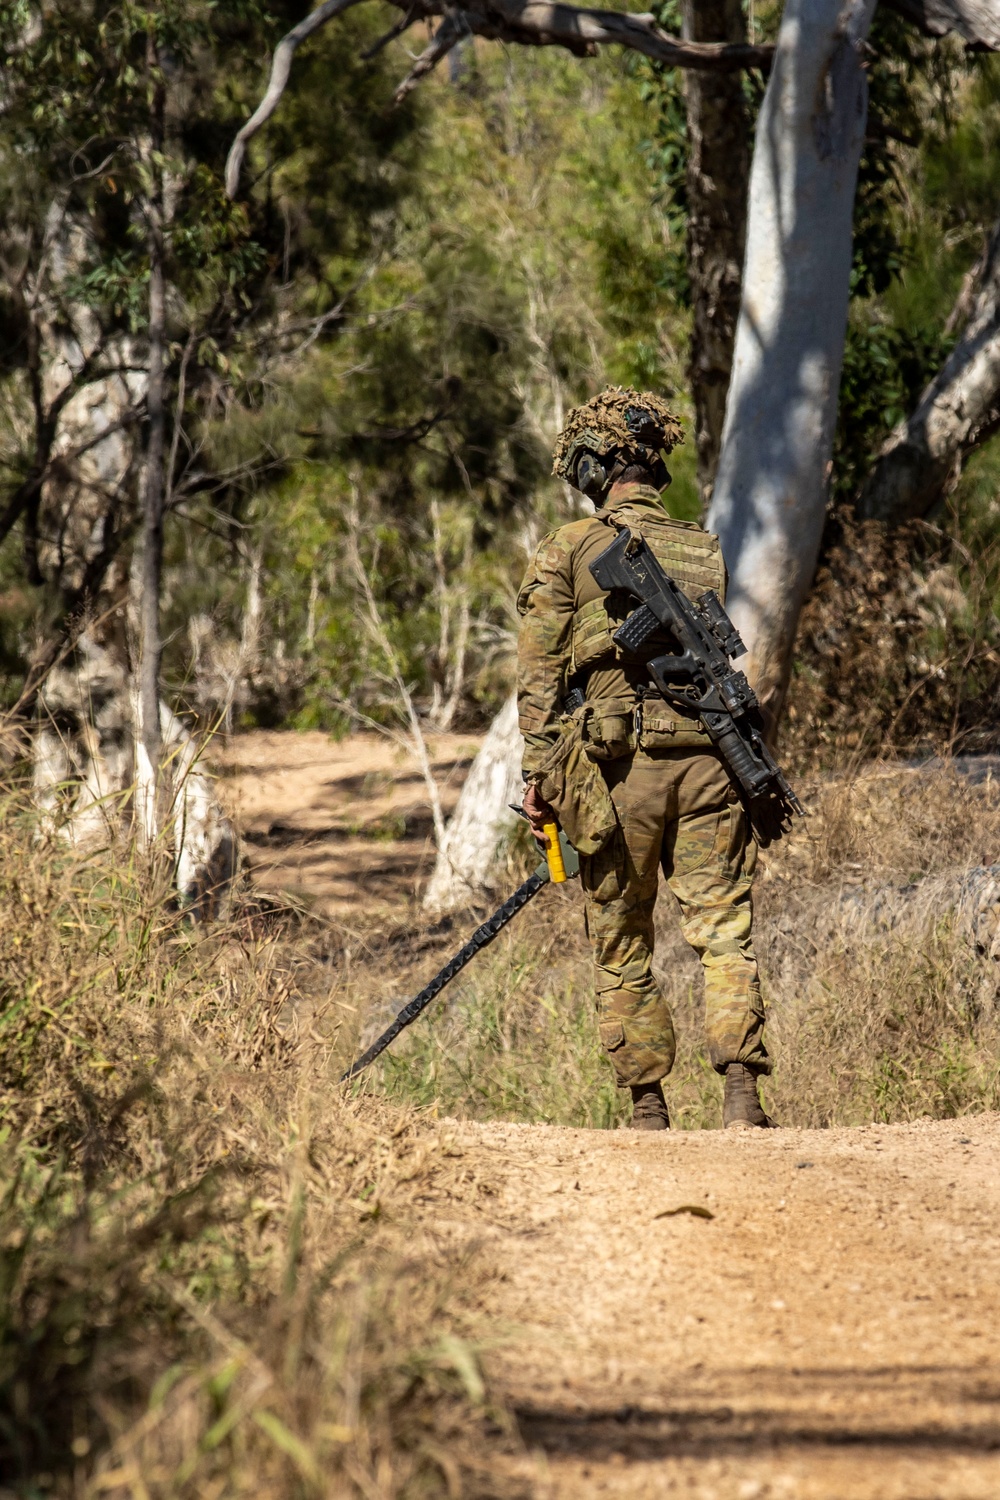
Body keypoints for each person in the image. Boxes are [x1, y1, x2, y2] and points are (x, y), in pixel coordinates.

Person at [516, 386, 775, 1131]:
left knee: (624, 935)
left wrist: (540, 778)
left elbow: (538, 677)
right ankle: (742, 1097)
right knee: (724, 928)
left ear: (597, 467)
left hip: (619, 770)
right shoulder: (703, 546)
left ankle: (648, 1107)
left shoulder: (569, 547)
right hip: (713, 763)